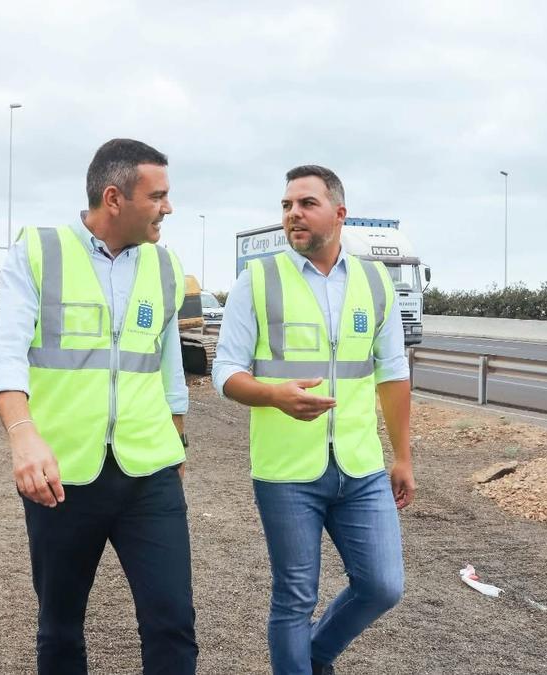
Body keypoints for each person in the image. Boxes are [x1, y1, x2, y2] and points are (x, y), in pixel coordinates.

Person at [0, 138, 196, 674]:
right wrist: (23, 437)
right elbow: (4, 354)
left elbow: (169, 370)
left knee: (172, 622)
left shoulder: (167, 269)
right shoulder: (39, 252)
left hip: (150, 472)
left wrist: (178, 439)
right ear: (114, 197)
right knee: (60, 629)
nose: (168, 208)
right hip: (61, 476)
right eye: (159, 196)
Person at [212, 165, 416, 675]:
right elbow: (225, 372)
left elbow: (392, 373)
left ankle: (312, 658)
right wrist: (272, 396)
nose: (292, 215)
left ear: (339, 213)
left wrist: (403, 456)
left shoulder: (375, 283)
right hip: (287, 472)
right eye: (286, 206)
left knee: (382, 585)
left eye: (306, 203)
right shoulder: (256, 281)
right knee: (294, 598)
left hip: (361, 466)